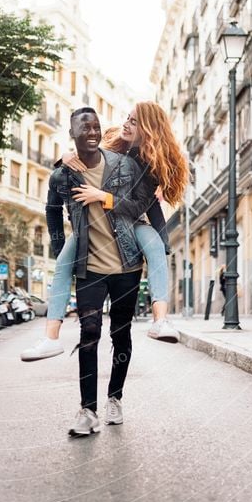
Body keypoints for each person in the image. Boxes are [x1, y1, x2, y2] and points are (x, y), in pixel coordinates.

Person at [21, 101, 188, 361]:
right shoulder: (114, 141)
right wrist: (64, 158)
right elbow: (83, 154)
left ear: (147, 129)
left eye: (133, 121)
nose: (125, 124)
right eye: (127, 117)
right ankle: (50, 339)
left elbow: (144, 206)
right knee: (64, 262)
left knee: (155, 247)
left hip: (131, 220)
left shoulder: (153, 163)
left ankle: (161, 321)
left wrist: (103, 196)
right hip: (95, 222)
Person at [39, 106, 157, 435]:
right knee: (89, 333)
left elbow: (142, 204)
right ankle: (87, 411)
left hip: (128, 263)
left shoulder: (124, 165)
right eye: (84, 128)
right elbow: (51, 212)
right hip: (89, 267)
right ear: (72, 134)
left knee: (121, 333)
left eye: (96, 127)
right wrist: (60, 246)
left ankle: (115, 398)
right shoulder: (62, 174)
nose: (91, 132)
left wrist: (105, 198)